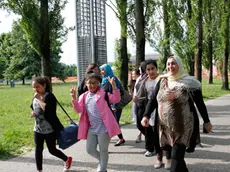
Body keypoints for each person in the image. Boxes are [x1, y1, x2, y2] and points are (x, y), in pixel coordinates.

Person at [141, 56, 213, 171]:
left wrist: (207, 121)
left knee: (175, 161)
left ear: (179, 65)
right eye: (168, 64)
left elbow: (200, 103)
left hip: (183, 127)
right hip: (165, 128)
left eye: (173, 63)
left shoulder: (190, 83)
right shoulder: (162, 80)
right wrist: (146, 115)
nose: (170, 66)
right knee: (179, 162)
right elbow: (153, 100)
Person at [70, 73, 121, 172]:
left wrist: (114, 86)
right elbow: (78, 110)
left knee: (103, 150)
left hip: (104, 129)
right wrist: (74, 98)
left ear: (98, 83)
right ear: (86, 83)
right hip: (91, 129)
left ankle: (102, 168)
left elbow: (116, 99)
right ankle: (102, 161)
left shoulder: (103, 94)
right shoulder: (84, 96)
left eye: (94, 83)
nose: (92, 85)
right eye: (89, 83)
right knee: (90, 150)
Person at [30, 76, 72, 172]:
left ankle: (66, 159)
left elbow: (48, 111)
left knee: (52, 150)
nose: (35, 89)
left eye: (37, 87)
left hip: (50, 129)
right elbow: (35, 108)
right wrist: (34, 113)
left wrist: (39, 99)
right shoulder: (35, 96)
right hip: (38, 128)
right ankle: (39, 170)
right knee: (38, 149)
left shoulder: (49, 96)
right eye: (33, 87)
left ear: (44, 85)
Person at [133, 60, 160, 157]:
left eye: (153, 68)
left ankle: (156, 148)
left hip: (159, 105)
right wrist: (136, 98)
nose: (151, 71)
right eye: (148, 69)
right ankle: (150, 147)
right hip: (146, 105)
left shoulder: (161, 80)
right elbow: (140, 93)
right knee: (143, 126)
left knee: (156, 128)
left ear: (157, 69)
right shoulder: (143, 80)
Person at [99, 64, 126, 146]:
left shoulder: (113, 79)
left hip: (115, 105)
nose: (101, 72)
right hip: (107, 105)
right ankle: (120, 138)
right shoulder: (104, 80)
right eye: (101, 70)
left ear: (107, 70)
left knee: (114, 123)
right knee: (112, 123)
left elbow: (116, 92)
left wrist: (114, 106)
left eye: (103, 70)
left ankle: (118, 139)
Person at [133, 61, 147, 143]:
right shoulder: (140, 78)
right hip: (138, 103)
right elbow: (136, 90)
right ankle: (150, 138)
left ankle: (151, 141)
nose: (139, 69)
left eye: (140, 68)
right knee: (139, 124)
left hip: (145, 103)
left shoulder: (148, 78)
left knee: (143, 124)